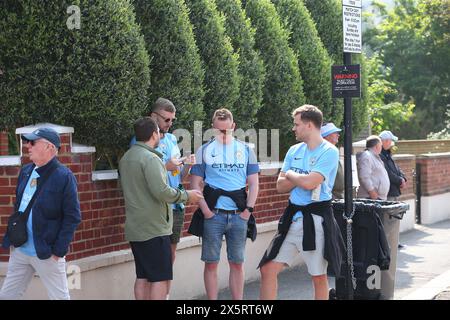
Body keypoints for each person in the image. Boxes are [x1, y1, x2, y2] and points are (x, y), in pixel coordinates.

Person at [259, 105, 344, 300]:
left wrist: (289, 173)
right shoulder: (294, 150)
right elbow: (280, 186)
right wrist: (299, 179)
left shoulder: (328, 151)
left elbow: (310, 183)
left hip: (316, 221)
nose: (293, 128)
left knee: (318, 277)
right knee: (267, 269)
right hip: (292, 219)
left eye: (296, 124)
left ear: (309, 125)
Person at [119, 117, 203, 300]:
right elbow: (162, 191)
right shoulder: (151, 158)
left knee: (142, 275)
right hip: (154, 229)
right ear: (153, 134)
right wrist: (188, 196)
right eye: (158, 132)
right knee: (159, 278)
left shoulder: (126, 158)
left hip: (136, 228)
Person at [0, 127, 81, 300]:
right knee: (7, 296)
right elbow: (19, 206)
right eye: (28, 142)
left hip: (46, 252)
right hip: (21, 250)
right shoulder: (26, 171)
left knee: (59, 298)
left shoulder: (64, 176)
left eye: (33, 142)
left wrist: (58, 251)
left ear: (49, 147)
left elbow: (72, 217)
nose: (28, 146)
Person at [190, 108, 260, 300]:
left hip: (239, 215)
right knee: (211, 263)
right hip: (214, 215)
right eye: (218, 130)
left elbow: (254, 183)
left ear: (233, 127)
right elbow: (195, 183)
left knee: (237, 263)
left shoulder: (246, 150)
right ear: (212, 128)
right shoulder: (204, 150)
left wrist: (248, 211)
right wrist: (205, 211)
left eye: (226, 130)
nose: (222, 133)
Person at [379, 130, 408, 249]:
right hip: (389, 191)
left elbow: (396, 169)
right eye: (390, 141)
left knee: (394, 218)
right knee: (388, 219)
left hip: (394, 190)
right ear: (384, 141)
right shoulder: (381, 155)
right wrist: (399, 180)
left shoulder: (387, 154)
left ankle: (394, 240)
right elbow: (388, 173)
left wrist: (403, 178)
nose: (392, 143)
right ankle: (389, 243)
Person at [356, 135, 390, 200]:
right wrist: (372, 192)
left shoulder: (374, 157)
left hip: (376, 197)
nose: (381, 147)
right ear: (377, 146)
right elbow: (364, 176)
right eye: (381, 145)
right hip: (370, 198)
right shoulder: (367, 156)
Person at [321, 123, 344, 199]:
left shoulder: (333, 151)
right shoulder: (324, 152)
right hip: (330, 196)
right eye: (335, 133)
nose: (338, 135)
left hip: (337, 195)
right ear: (327, 135)